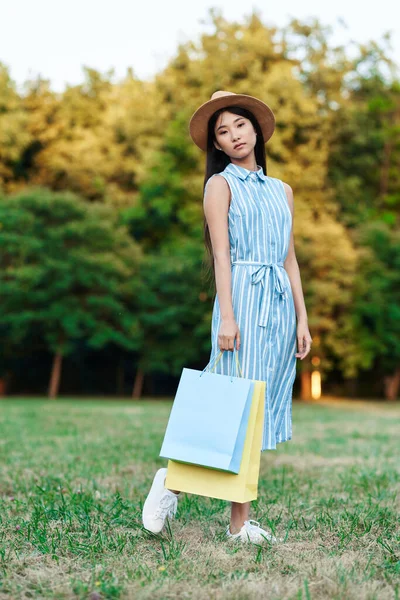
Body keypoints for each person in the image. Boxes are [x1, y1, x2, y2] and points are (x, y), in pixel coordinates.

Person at [142, 90, 312, 544]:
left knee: (255, 413)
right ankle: (179, 486)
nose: (234, 135)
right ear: (216, 145)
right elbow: (221, 255)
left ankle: (230, 516)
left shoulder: (283, 191)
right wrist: (228, 318)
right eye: (223, 131)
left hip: (277, 308)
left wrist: (302, 318)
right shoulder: (220, 185)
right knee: (233, 406)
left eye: (240, 125)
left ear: (256, 130)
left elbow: (289, 258)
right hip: (241, 300)